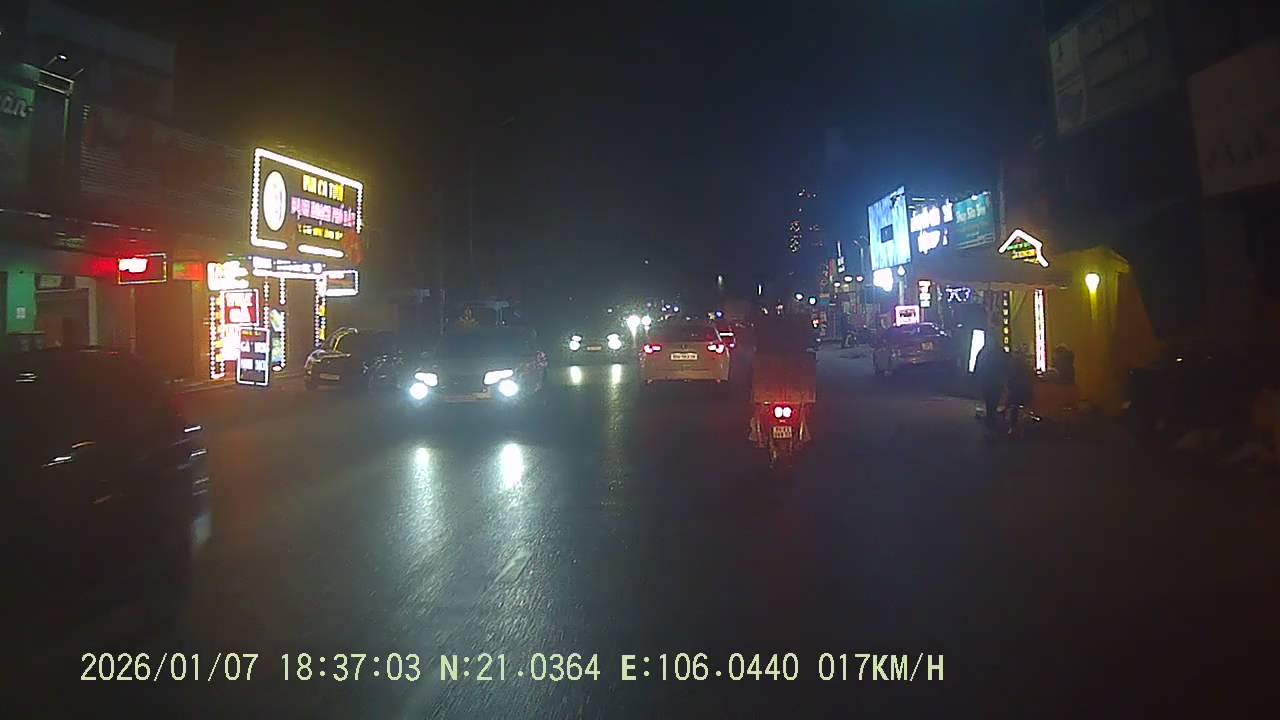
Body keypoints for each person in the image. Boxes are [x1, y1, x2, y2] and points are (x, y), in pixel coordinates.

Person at [973, 333, 1008, 432]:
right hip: (996, 380)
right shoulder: (1000, 352)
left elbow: (978, 365)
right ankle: (991, 419)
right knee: (994, 400)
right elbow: (1006, 365)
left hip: (986, 380)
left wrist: (976, 378)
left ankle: (990, 419)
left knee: (989, 400)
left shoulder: (984, 351)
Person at [1006, 344, 1035, 435]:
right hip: (1025, 393)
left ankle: (1013, 427)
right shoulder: (1026, 366)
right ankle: (1021, 426)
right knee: (1019, 405)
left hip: (1014, 393)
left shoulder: (1012, 366)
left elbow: (1010, 381)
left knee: (1013, 405)